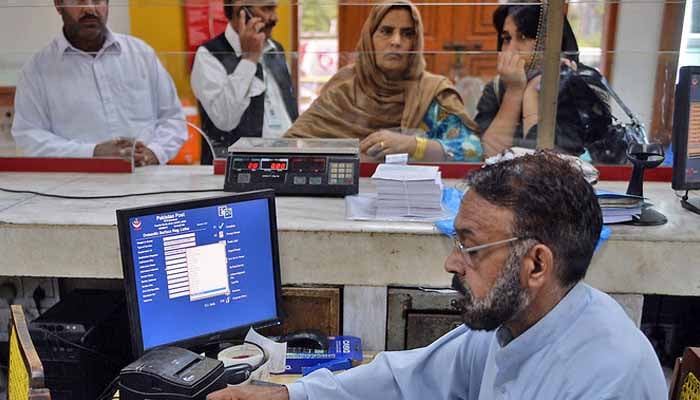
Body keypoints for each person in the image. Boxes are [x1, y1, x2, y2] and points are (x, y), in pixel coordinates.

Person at [207, 151, 667, 400]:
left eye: (470, 246)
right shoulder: (514, 323)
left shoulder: (609, 377)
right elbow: (407, 378)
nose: (452, 263)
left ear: (536, 265)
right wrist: (292, 397)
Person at [284, 0, 483, 163]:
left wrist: (412, 145)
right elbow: (291, 145)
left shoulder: (432, 93)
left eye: (407, 34)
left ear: (416, 42)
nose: (396, 41)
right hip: (344, 191)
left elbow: (473, 151)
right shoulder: (344, 87)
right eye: (386, 31)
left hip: (413, 195)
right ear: (369, 38)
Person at [11, 0, 187, 166]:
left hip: (148, 180)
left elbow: (173, 118)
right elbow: (29, 137)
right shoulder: (37, 70)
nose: (89, 8)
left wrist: (154, 152)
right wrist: (92, 153)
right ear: (58, 4)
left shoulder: (140, 54)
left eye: (97, 0)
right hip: (77, 184)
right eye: (79, 0)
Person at [475, 5, 606, 158]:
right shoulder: (498, 87)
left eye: (523, 37)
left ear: (550, 41)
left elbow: (549, 161)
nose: (510, 50)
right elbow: (488, 155)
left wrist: (534, 92)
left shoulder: (583, 82)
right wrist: (514, 91)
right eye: (506, 39)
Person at [191, 0, 298, 164]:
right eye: (267, 9)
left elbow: (288, 111)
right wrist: (249, 59)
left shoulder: (275, 49)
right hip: (236, 168)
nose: (275, 18)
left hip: (284, 162)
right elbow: (225, 120)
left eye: (274, 9)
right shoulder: (209, 55)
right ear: (242, 13)